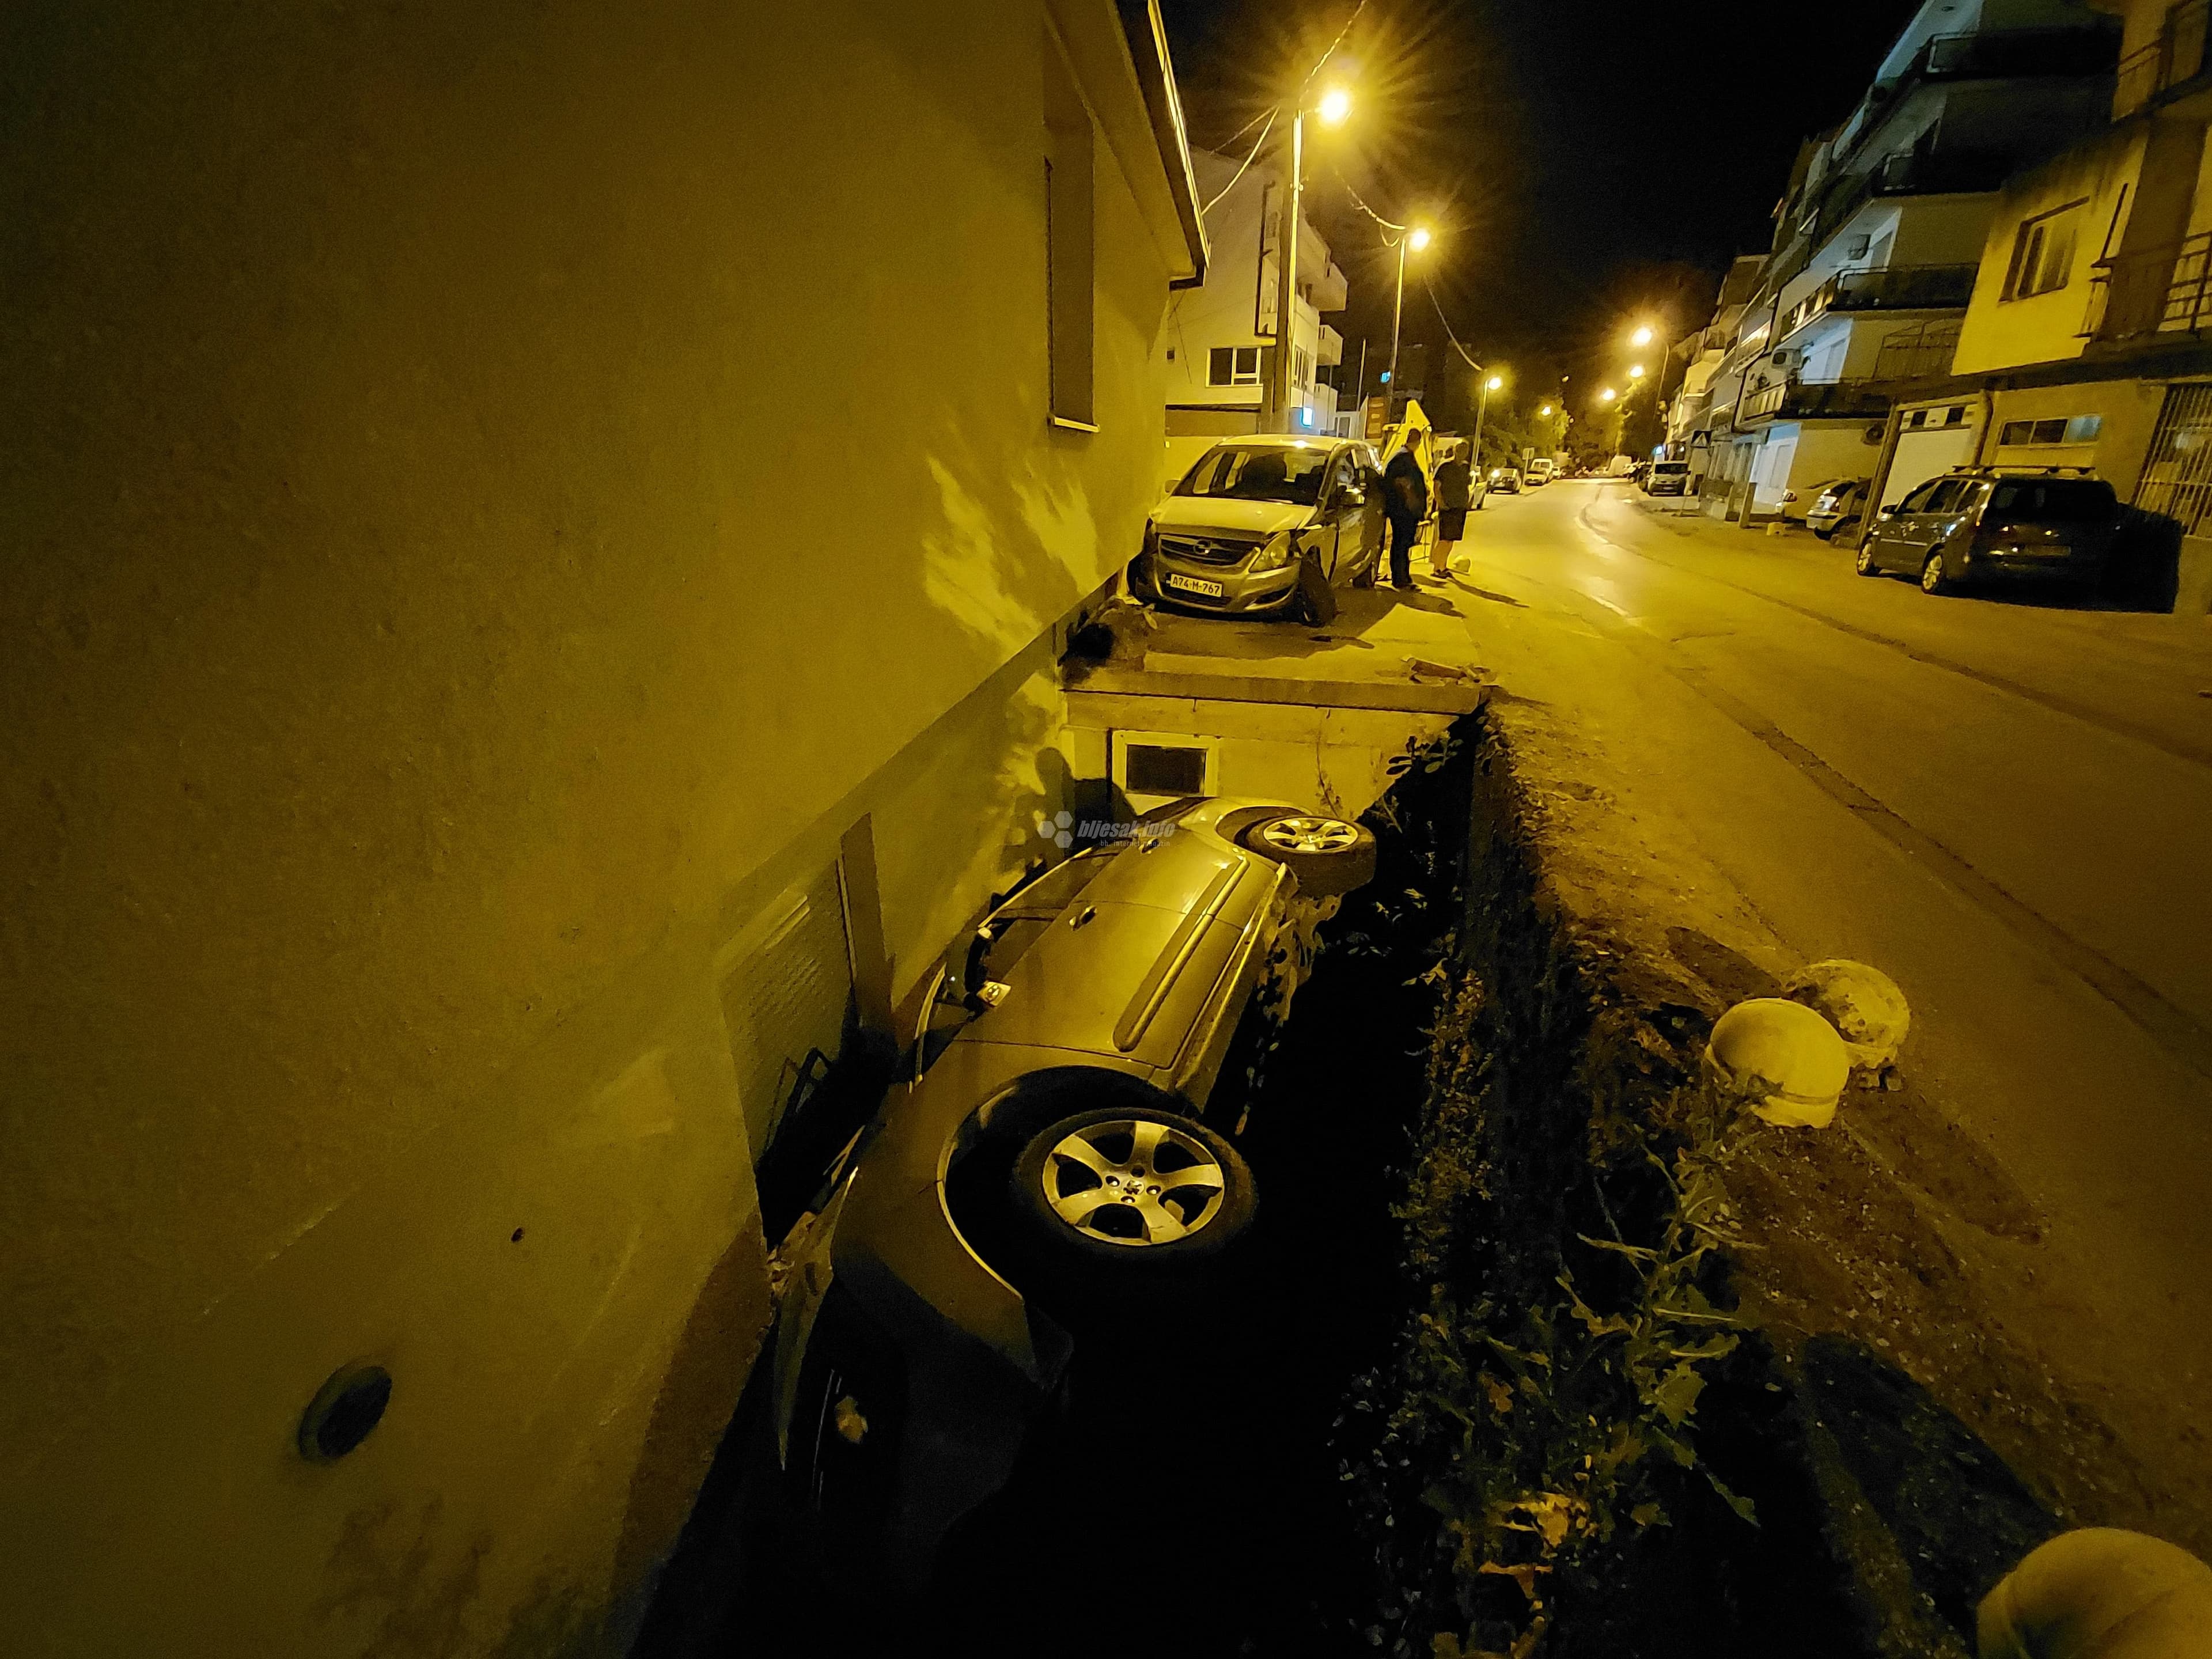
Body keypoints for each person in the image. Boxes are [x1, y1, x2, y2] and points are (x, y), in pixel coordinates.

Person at [1382, 445, 1429, 590]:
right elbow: (1401, 482)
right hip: (1403, 511)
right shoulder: (1402, 458)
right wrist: (1410, 499)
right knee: (1401, 545)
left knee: (1404, 545)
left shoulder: (1405, 457)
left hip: (1407, 511)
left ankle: (1404, 577)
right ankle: (1400, 579)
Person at [1428, 441, 1472, 580]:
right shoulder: (1445, 467)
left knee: (1452, 539)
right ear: (1455, 451)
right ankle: (1437, 568)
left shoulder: (1466, 467)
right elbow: (1436, 486)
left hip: (1460, 508)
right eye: (1460, 449)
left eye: (1465, 450)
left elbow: (1466, 486)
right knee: (1444, 539)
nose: (1463, 453)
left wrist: (1467, 502)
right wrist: (1440, 502)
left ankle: (1443, 566)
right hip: (1447, 507)